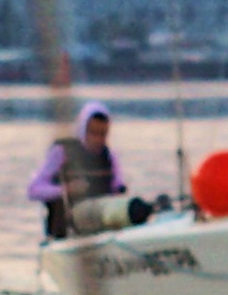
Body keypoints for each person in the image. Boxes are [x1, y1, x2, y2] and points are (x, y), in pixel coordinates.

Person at [29, 102, 149, 239]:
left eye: (102, 134)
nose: (98, 139)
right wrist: (65, 190)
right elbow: (33, 189)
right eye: (93, 133)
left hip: (101, 225)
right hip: (67, 229)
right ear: (82, 130)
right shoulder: (61, 152)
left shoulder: (109, 156)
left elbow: (118, 186)